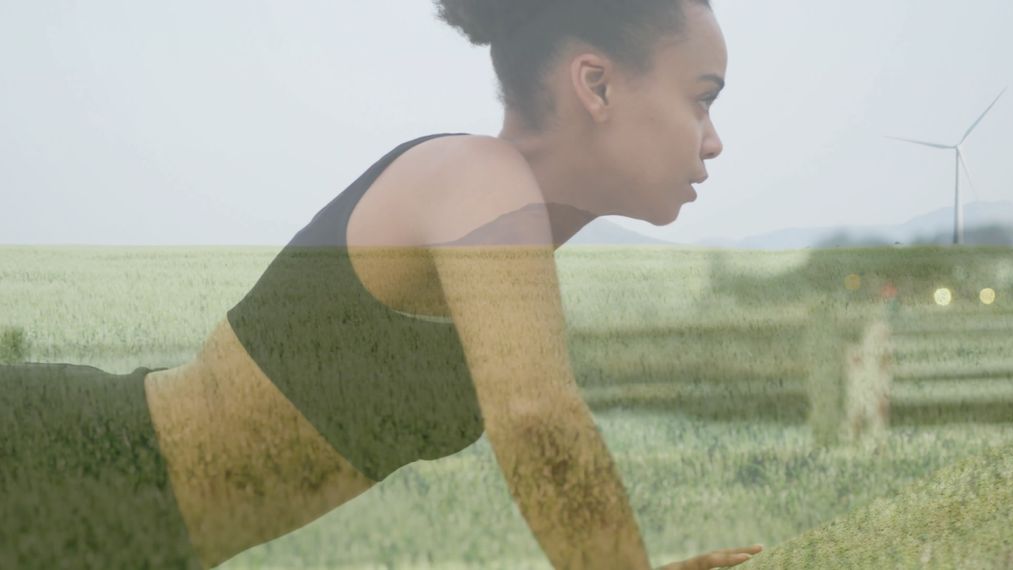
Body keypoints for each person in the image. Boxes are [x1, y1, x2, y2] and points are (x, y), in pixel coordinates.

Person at [2, 0, 764, 568]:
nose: (714, 138)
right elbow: (536, 418)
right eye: (702, 97)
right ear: (595, 85)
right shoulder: (476, 176)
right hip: (50, 463)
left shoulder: (509, 236)